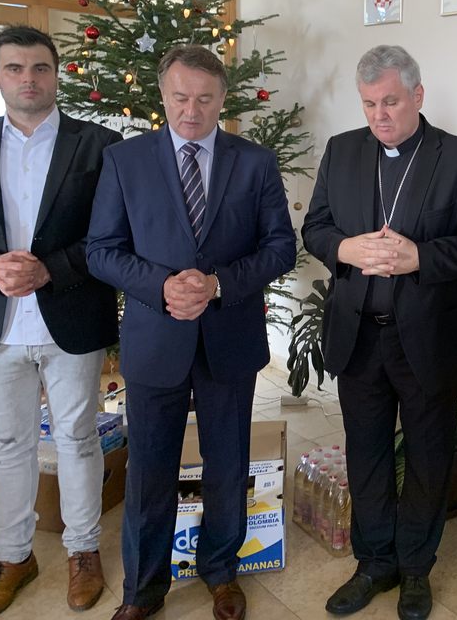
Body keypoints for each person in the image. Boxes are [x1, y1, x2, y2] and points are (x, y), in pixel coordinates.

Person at [86, 45, 295, 620]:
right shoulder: (124, 161)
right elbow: (101, 250)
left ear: (223, 99)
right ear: (162, 95)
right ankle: (142, 590)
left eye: (205, 99)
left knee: (228, 464)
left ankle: (221, 572)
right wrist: (162, 286)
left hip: (230, 338)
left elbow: (281, 246)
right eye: (180, 97)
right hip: (157, 340)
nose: (191, 111)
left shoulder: (255, 162)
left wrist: (219, 284)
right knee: (149, 470)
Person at [303, 45, 457, 620]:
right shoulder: (341, 151)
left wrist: (421, 257)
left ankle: (415, 567)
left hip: (428, 336)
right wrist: (345, 248)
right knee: (365, 454)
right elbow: (315, 227)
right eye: (368, 104)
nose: (379, 115)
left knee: (429, 457)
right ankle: (374, 563)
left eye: (389, 102)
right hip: (359, 333)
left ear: (417, 95)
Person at [0, 26, 121, 619]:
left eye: (40, 67)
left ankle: (83, 551)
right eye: (14, 68)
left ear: (57, 75)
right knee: (8, 443)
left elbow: (113, 236)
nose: (28, 79)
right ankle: (14, 557)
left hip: (71, 316)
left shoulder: (100, 145)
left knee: (78, 438)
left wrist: (49, 269)